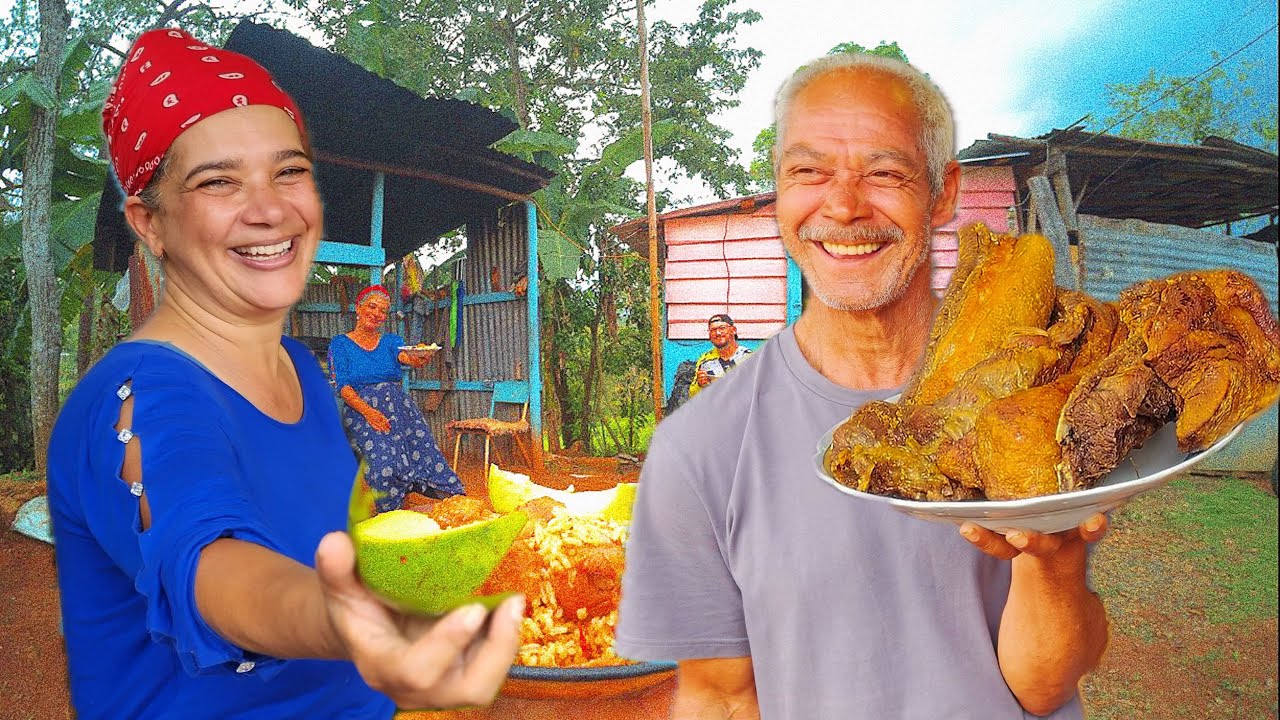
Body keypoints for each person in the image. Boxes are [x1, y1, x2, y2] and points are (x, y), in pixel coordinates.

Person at [46, 28, 522, 720]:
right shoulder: (138, 396)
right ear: (150, 223)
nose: (269, 209)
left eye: (289, 171)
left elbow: (319, 539)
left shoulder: (299, 366)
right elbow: (215, 563)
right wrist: (347, 622)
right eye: (217, 181)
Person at [617, 53, 1109, 719]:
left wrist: (1053, 563)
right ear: (782, 193)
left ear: (943, 192)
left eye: (884, 173)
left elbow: (1043, 688)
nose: (843, 206)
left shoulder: (1039, 398)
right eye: (808, 172)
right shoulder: (699, 449)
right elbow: (720, 698)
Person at [329, 284, 465, 512]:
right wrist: (370, 413)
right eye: (372, 307)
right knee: (385, 466)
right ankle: (389, 516)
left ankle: (456, 505)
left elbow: (405, 356)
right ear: (358, 308)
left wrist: (419, 358)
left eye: (382, 311)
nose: (376, 314)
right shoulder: (340, 344)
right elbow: (343, 387)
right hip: (362, 413)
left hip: (400, 412)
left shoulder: (391, 341)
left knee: (426, 455)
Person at [687, 314, 753, 399]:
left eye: (722, 328)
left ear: (733, 330)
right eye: (713, 330)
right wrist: (700, 385)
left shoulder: (748, 357)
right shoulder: (705, 361)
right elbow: (692, 395)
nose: (717, 333)